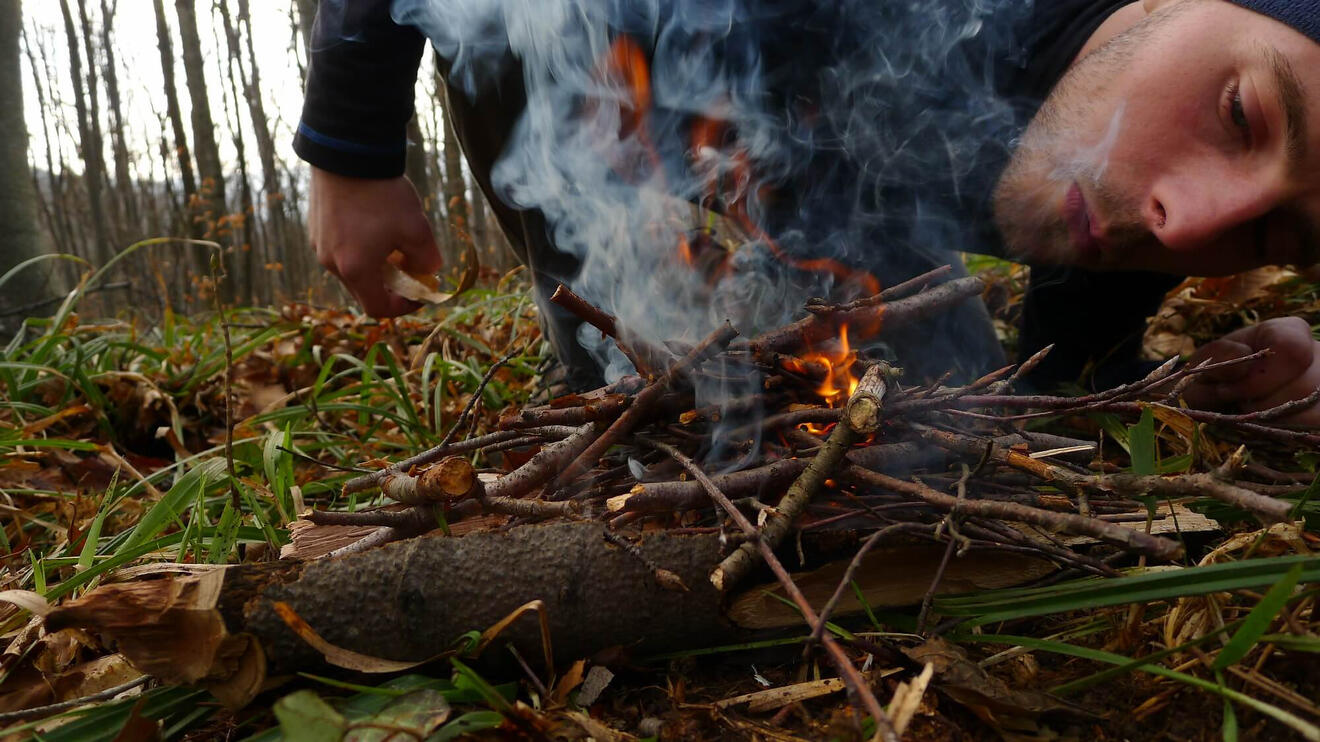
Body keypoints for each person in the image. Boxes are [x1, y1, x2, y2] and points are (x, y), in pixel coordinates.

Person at [295, 0, 1320, 423]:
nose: (1187, 224)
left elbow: (1064, 374)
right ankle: (598, 364)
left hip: (836, 191)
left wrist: (1164, 390)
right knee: (644, 407)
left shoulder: (1146, 209)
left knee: (953, 436)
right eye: (1241, 113)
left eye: (1277, 233)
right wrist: (350, 146)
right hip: (615, 68)